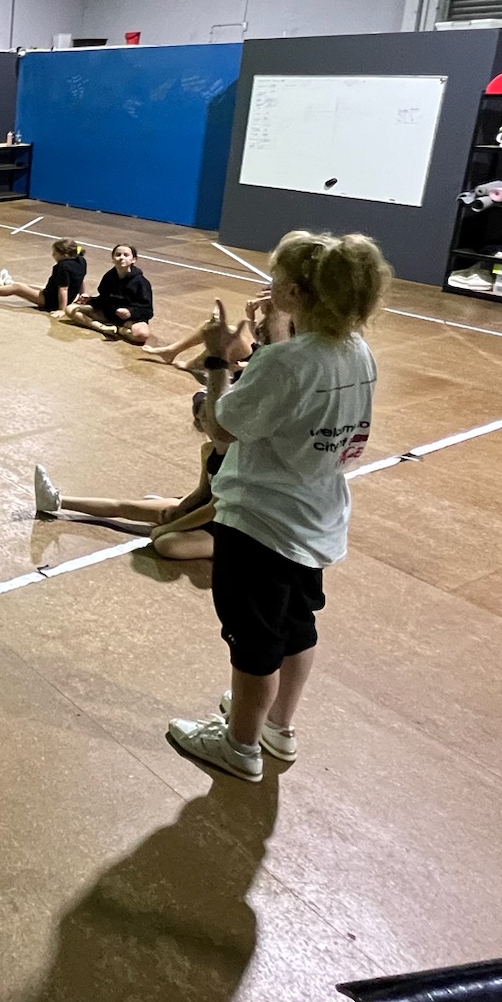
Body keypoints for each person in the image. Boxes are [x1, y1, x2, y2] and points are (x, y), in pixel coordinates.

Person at [166, 230, 388, 783]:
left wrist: (218, 359)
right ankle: (278, 727)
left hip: (261, 524)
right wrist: (278, 334)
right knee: (297, 627)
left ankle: (239, 746)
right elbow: (299, 383)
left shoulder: (286, 364)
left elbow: (221, 429)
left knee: (254, 644)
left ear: (291, 292)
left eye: (275, 280)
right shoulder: (357, 352)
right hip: (316, 519)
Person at [32, 391, 222, 562]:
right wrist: (181, 508)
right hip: (207, 508)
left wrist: (169, 527)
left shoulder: (235, 455)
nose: (211, 424)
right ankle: (56, 500)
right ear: (198, 423)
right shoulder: (207, 450)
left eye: (215, 417)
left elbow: (215, 508)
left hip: (226, 525)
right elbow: (202, 491)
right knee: (126, 507)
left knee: (166, 544)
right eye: (204, 418)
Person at [142, 288, 280, 375]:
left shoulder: (284, 326)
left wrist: (247, 367)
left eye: (264, 302)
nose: (259, 304)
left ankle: (192, 364)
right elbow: (261, 341)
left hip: (260, 367)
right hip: (256, 357)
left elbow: (279, 360)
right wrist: (251, 317)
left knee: (225, 338)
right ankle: (172, 351)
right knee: (214, 326)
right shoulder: (271, 320)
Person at [63, 243, 155, 343]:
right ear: (113, 259)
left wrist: (130, 312)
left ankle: (119, 329)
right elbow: (104, 299)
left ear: (133, 259)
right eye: (118, 255)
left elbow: (148, 311)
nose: (121, 258)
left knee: (142, 335)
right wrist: (90, 300)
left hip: (129, 320)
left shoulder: (141, 283)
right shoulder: (109, 277)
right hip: (107, 314)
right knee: (70, 309)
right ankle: (102, 328)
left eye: (126, 255)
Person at [0, 237, 88, 314]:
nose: (52, 255)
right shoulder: (81, 260)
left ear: (64, 255)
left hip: (51, 301)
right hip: (66, 297)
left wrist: (62, 310)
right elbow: (81, 279)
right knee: (31, 287)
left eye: (55, 253)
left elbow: (63, 289)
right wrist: (82, 294)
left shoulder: (62, 267)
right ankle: (8, 283)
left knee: (17, 288)